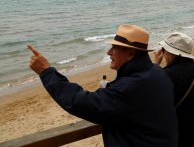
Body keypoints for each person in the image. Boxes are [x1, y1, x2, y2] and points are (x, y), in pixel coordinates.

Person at [28, 24, 178, 147]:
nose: (109, 52)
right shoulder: (157, 72)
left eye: (114, 48)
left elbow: (79, 102)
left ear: (131, 53)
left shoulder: (129, 87)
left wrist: (46, 72)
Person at [154, 32, 194, 147]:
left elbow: (151, 104)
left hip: (179, 139)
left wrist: (155, 66)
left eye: (164, 50)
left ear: (172, 53)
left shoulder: (163, 76)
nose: (163, 54)